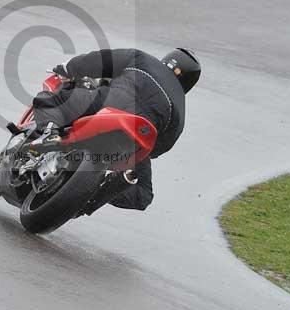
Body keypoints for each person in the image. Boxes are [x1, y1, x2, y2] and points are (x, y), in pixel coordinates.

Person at [31, 48, 200, 216]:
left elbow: (100, 60)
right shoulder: (180, 109)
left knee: (51, 100)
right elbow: (160, 147)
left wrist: (68, 67)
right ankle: (94, 193)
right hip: (135, 139)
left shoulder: (143, 59)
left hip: (110, 105)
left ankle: (49, 133)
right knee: (143, 194)